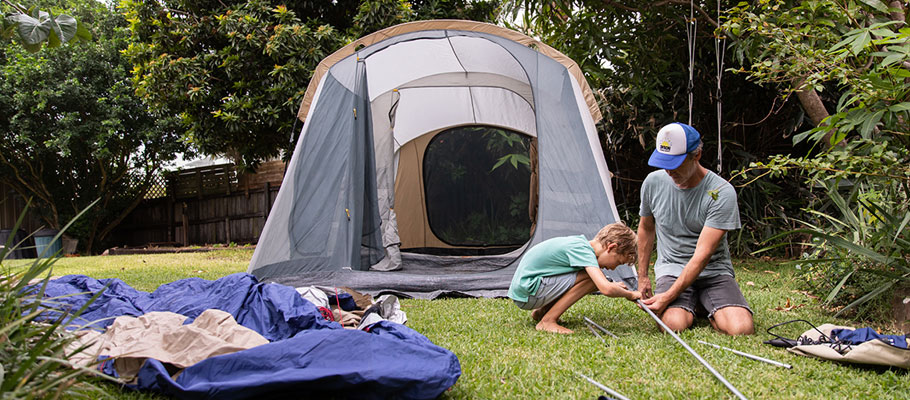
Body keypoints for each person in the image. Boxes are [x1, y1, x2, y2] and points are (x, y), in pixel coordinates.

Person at [637, 122, 754, 335]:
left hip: (713, 271)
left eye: (676, 163)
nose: (669, 170)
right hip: (673, 268)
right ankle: (697, 305)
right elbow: (646, 227)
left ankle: (701, 302)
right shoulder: (653, 183)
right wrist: (642, 276)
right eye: (665, 163)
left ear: (697, 155)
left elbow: (702, 255)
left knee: (741, 329)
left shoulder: (720, 192)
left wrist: (668, 296)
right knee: (672, 325)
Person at [509, 222, 641, 334]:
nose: (613, 268)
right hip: (529, 291)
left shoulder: (580, 244)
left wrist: (612, 285)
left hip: (527, 291)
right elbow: (606, 289)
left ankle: (542, 312)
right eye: (618, 262)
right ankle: (547, 321)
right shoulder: (583, 251)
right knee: (591, 279)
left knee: (592, 277)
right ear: (611, 247)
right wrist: (629, 294)